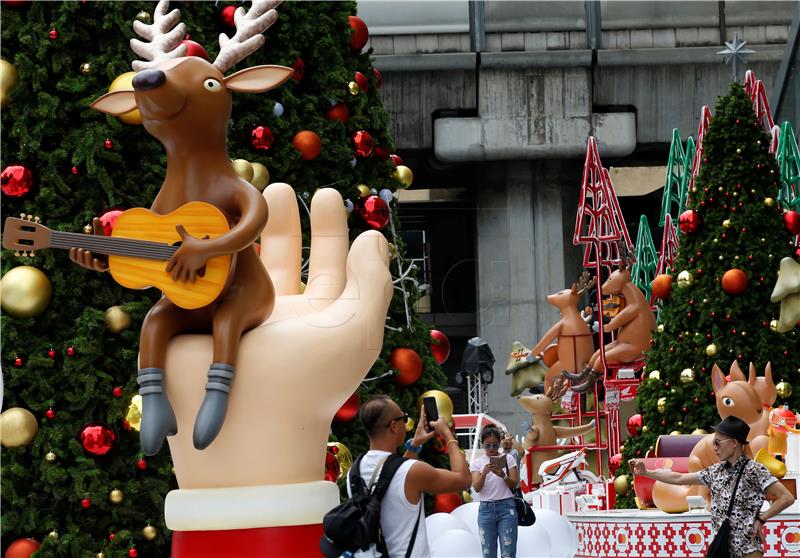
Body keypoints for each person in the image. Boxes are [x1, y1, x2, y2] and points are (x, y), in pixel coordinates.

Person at [629, 416, 795, 558]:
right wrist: (647, 472)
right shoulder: (716, 471)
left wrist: (761, 518)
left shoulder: (755, 470)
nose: (714, 447)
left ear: (733, 443)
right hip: (721, 549)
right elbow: (678, 477)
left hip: (747, 551)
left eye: (717, 442)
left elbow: (786, 498)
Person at [349, 395, 471, 557]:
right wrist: (448, 435)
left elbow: (391, 478)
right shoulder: (413, 471)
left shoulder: (354, 471)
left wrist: (415, 444)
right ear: (393, 426)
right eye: (404, 418)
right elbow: (463, 479)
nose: (406, 424)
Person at [471, 425, 520, 558]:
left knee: (508, 552)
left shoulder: (508, 459)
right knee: (488, 552)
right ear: (482, 444)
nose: (492, 449)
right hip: (486, 509)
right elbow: (476, 487)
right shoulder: (477, 463)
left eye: (495, 445)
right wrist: (484, 473)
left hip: (506, 507)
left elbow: (514, 483)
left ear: (499, 443)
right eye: (488, 445)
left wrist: (502, 474)